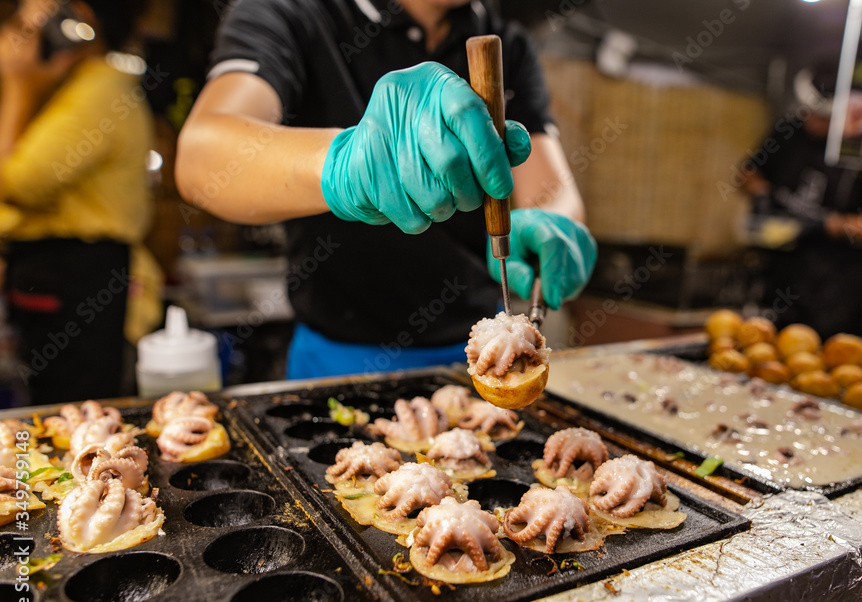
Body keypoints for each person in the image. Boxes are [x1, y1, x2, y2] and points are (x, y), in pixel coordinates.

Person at [175, 0, 595, 379]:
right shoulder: (289, 13)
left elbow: (553, 189)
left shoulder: (505, 43)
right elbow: (201, 158)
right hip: (337, 361)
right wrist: (343, 164)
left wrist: (550, 225)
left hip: (478, 357)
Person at [0, 0, 157, 404]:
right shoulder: (70, 86)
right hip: (61, 271)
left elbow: (20, 182)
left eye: (26, 27)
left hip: (74, 274)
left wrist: (19, 84)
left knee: (71, 409)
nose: (11, 39)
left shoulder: (98, 89)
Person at [742, 66, 862, 339]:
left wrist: (833, 226)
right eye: (809, 112)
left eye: (826, 117)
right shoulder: (790, 131)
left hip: (837, 292)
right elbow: (749, 171)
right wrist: (761, 195)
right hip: (775, 280)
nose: (813, 121)